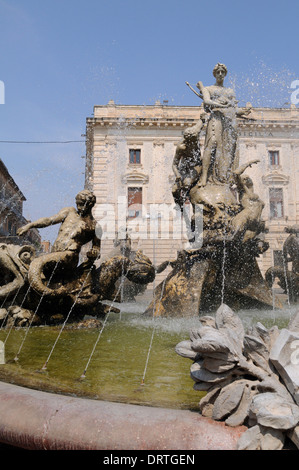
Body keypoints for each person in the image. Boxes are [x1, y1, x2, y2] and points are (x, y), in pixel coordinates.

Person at [17, 189, 101, 296]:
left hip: (69, 256)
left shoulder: (95, 226)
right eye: (78, 204)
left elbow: (97, 249)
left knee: (37, 263)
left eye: (82, 204)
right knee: (25, 264)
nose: (79, 208)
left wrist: (94, 252)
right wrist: (30, 225)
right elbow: (49, 220)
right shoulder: (69, 211)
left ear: (90, 204)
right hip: (54, 254)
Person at [195, 63, 251, 187]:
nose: (220, 74)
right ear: (214, 74)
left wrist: (244, 111)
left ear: (225, 74)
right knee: (211, 144)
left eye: (222, 72)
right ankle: (204, 177)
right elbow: (207, 101)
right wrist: (222, 105)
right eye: (218, 72)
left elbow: (234, 109)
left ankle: (222, 176)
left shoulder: (230, 91)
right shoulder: (208, 89)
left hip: (228, 121)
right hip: (216, 118)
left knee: (226, 149)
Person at [171, 120, 203, 210]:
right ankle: (179, 204)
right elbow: (174, 164)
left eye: (195, 140)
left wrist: (203, 118)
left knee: (187, 183)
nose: (195, 142)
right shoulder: (181, 147)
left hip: (196, 166)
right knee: (174, 190)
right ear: (188, 140)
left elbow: (200, 122)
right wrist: (177, 174)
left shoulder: (195, 133)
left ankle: (191, 201)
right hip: (184, 168)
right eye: (192, 141)